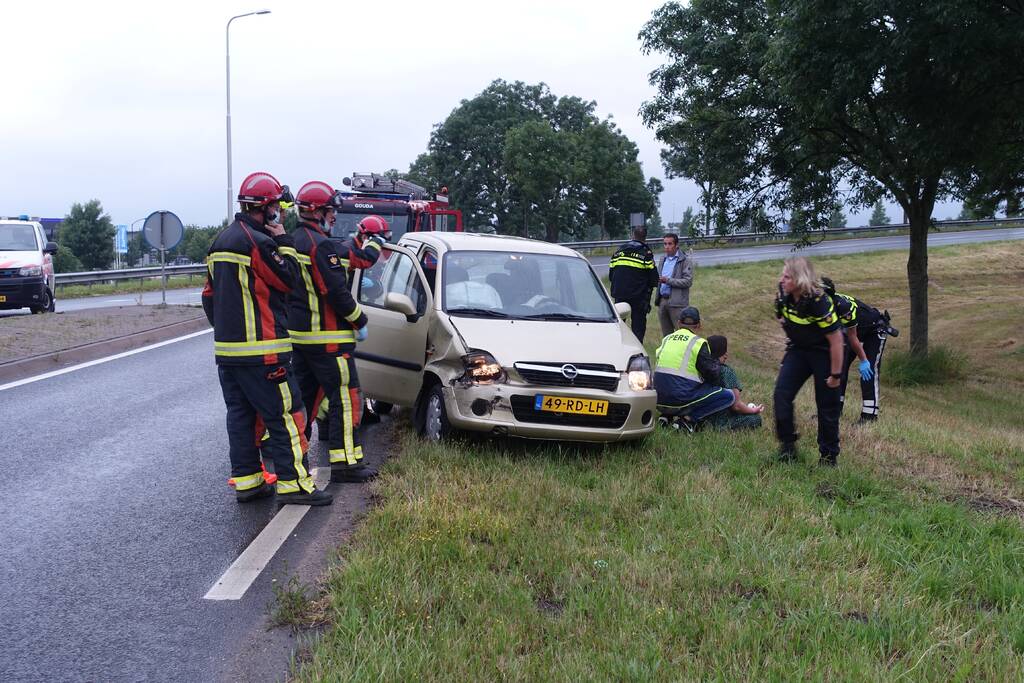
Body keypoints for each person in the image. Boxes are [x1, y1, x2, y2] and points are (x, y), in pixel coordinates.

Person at [202, 171, 332, 505]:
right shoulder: (259, 243)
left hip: (227, 354)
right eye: (279, 208)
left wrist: (226, 332)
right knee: (286, 414)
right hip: (264, 352)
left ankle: (248, 481)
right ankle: (295, 485)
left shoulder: (219, 242)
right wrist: (284, 241)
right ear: (268, 209)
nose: (283, 214)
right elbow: (289, 279)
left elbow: (208, 295)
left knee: (241, 416)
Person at [288, 181, 377, 483]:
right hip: (329, 341)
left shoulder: (292, 241)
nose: (334, 216)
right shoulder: (320, 245)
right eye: (330, 210)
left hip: (300, 340)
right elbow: (336, 293)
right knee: (345, 399)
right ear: (316, 212)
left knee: (304, 403)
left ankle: (291, 462)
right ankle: (346, 463)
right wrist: (360, 320)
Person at [773, 257, 845, 466]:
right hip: (798, 350)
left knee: (826, 406)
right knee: (781, 394)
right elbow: (782, 318)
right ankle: (788, 447)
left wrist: (835, 375)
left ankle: (828, 456)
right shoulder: (783, 294)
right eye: (783, 275)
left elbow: (837, 340)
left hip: (823, 352)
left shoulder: (818, 301)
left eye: (787, 276)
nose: (782, 280)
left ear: (799, 279)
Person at [654, 307, 762, 425]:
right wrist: (716, 360)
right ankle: (688, 421)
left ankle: (666, 417)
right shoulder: (697, 343)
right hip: (680, 401)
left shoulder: (666, 339)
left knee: (673, 384)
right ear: (699, 325)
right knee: (728, 396)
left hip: (658, 400)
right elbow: (712, 374)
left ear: (679, 323)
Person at [821, 277, 896, 423]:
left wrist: (864, 360)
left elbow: (853, 337)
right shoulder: (819, 307)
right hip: (851, 333)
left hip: (873, 331)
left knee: (868, 373)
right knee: (838, 369)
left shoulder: (843, 306)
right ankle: (835, 410)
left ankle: (869, 416)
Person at [609, 226, 659, 343]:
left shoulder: (618, 251)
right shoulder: (645, 253)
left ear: (632, 235)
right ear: (645, 238)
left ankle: (618, 345)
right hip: (638, 297)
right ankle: (637, 351)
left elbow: (611, 275)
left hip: (620, 294)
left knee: (620, 325)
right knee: (638, 327)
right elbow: (654, 279)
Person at [705, 335, 764, 430]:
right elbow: (736, 406)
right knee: (755, 419)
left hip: (700, 418)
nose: (726, 355)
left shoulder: (699, 368)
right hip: (719, 422)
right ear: (723, 353)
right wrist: (753, 410)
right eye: (724, 351)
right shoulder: (726, 372)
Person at [655, 233, 694, 337]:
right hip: (663, 300)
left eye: (670, 244)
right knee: (667, 336)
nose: (667, 247)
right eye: (665, 244)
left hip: (677, 303)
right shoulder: (663, 259)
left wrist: (668, 280)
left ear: (676, 245)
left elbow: (688, 281)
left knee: (681, 334)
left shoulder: (685, 260)